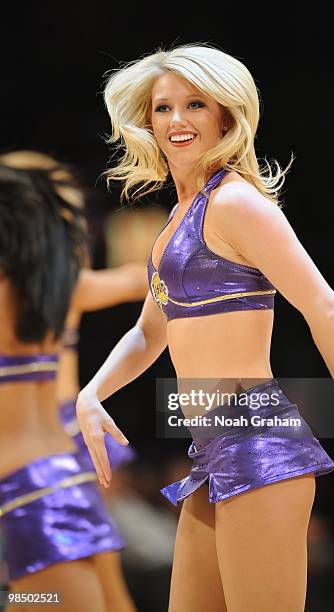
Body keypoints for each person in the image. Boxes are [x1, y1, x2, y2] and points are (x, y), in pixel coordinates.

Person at [76, 43, 334, 611]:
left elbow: (325, 306)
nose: (177, 120)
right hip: (212, 447)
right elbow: (149, 333)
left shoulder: (235, 204)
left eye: (195, 105)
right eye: (163, 108)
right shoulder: (178, 218)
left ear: (225, 115)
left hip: (256, 438)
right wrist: (92, 392)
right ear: (146, 121)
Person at [0, 157, 136, 611]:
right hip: (54, 483)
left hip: (38, 502)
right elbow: (143, 280)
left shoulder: (38, 291)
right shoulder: (63, 289)